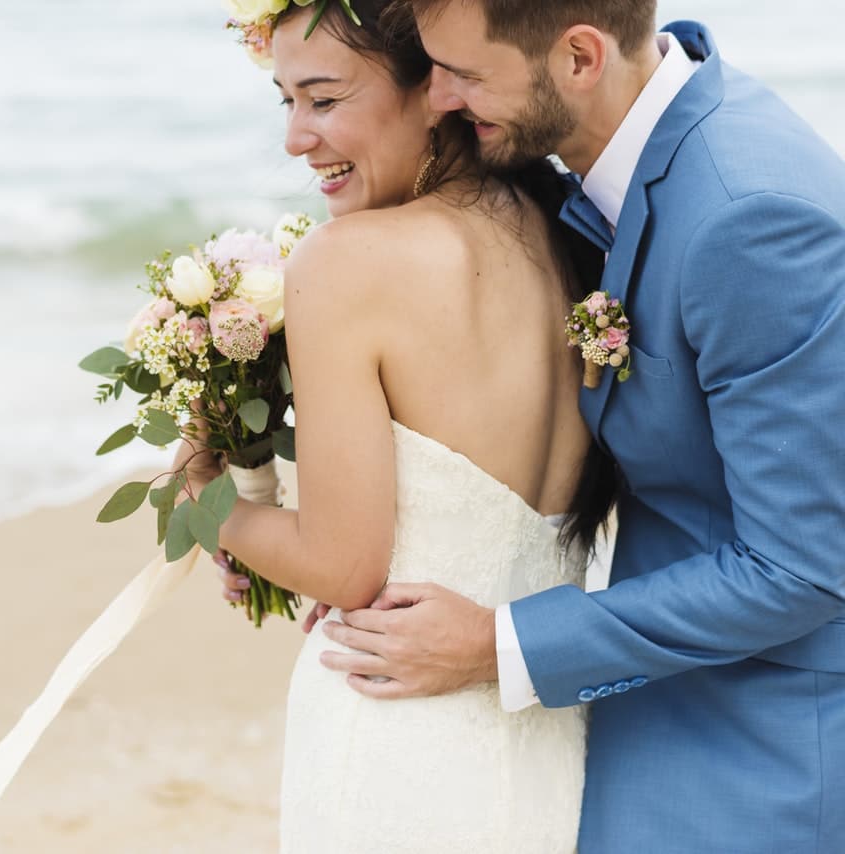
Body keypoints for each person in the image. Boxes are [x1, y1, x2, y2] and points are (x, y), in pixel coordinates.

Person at [303, 2, 845, 851]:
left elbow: (804, 566)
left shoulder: (751, 219)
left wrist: (495, 644)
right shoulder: (600, 169)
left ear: (580, 58)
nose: (438, 98)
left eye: (466, 75)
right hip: (629, 703)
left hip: (756, 749)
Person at [181, 1, 613, 850]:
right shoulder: (570, 240)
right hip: (544, 738)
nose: (296, 138)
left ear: (438, 89)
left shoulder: (347, 263)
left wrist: (198, 497)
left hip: (395, 738)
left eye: (325, 98)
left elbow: (341, 566)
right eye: (286, 102)